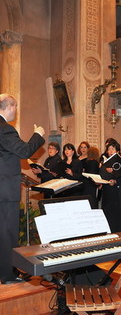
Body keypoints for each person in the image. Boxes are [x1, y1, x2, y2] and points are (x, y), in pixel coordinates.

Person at [0, 93, 45, 284]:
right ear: (9, 107)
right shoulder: (5, 129)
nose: (16, 111)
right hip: (5, 190)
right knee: (7, 233)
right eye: (15, 107)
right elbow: (25, 151)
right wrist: (38, 135)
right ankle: (7, 275)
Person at [100, 139, 121, 232]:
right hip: (106, 191)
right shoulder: (105, 163)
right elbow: (102, 175)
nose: (110, 151)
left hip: (116, 192)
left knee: (115, 214)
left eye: (113, 149)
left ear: (117, 151)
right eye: (109, 149)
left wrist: (115, 180)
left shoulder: (120, 163)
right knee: (106, 213)